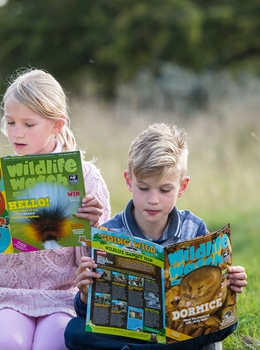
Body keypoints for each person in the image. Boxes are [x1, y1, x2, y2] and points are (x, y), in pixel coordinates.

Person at [0, 68, 111, 350]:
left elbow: (94, 266)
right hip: (8, 299)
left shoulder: (86, 178)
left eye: (28, 124)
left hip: (63, 300)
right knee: (6, 344)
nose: (16, 133)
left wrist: (93, 228)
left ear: (57, 125)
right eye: (10, 122)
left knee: (50, 345)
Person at [64, 123, 248, 350]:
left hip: (180, 332)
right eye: (143, 188)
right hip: (132, 333)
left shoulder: (194, 228)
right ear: (129, 181)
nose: (153, 200)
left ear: (182, 186)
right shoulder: (109, 234)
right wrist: (84, 294)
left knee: (224, 325)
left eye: (164, 190)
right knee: (74, 331)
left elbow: (214, 308)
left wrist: (229, 284)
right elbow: (88, 314)